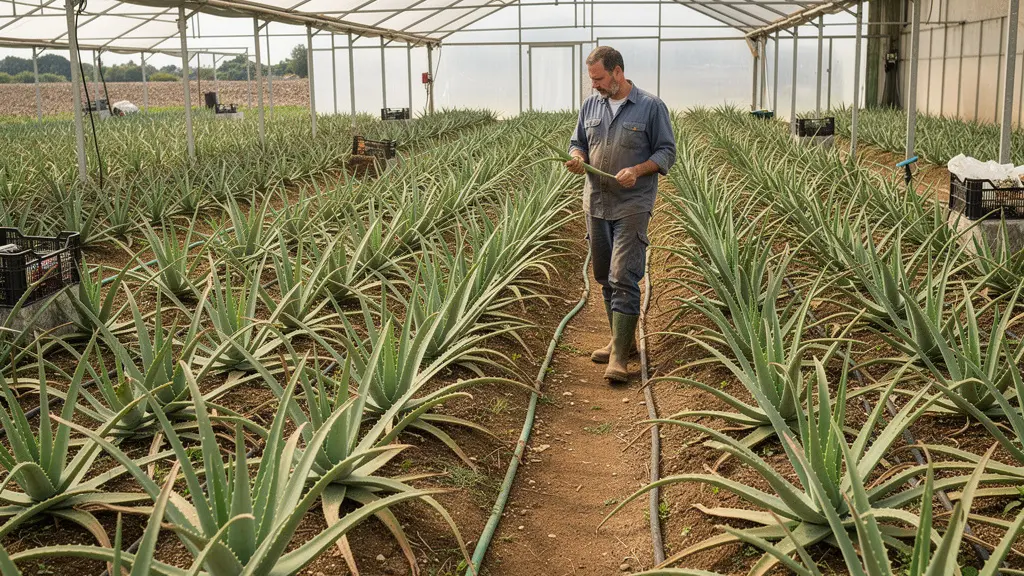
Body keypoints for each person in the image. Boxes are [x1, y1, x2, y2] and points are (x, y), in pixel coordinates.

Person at [565, 46, 676, 383]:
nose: (595, 85)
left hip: (632, 204)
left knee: (623, 275)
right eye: (592, 80)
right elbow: (578, 141)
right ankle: (621, 343)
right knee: (603, 275)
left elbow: (666, 152)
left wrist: (639, 169)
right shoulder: (590, 105)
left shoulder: (651, 106)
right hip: (596, 203)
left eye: (599, 79)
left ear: (617, 72)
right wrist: (577, 157)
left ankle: (619, 357)